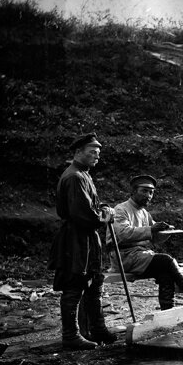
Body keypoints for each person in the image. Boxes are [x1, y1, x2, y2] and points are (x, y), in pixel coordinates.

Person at [48, 133, 117, 350]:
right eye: (92, 152)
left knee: (94, 282)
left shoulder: (84, 175)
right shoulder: (74, 177)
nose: (97, 156)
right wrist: (104, 216)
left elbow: (93, 204)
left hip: (86, 237)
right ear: (78, 153)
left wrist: (103, 208)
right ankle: (71, 335)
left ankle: (97, 328)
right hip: (76, 238)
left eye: (98, 153)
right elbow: (85, 214)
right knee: (75, 284)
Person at [107, 175, 183, 310]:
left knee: (165, 272)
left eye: (151, 192)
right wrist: (152, 229)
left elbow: (154, 237)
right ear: (133, 191)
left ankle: (168, 310)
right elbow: (123, 234)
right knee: (165, 261)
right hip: (123, 256)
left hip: (140, 255)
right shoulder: (121, 209)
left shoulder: (144, 213)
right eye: (144, 191)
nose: (148, 195)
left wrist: (165, 231)